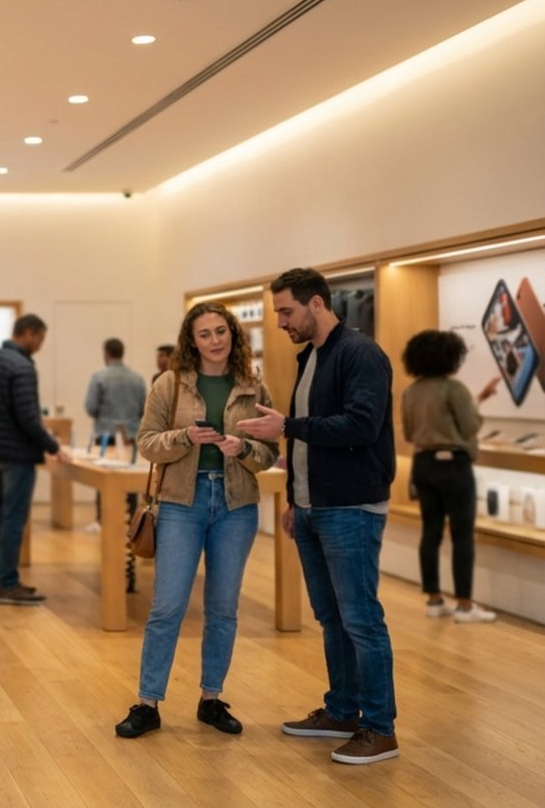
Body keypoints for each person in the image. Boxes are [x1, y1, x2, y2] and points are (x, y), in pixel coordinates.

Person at [239, 268, 399, 765]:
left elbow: (360, 425)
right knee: (331, 617)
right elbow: (306, 443)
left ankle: (379, 727)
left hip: (350, 507)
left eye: (286, 311)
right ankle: (342, 710)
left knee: (360, 619)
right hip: (313, 507)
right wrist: (295, 500)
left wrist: (286, 425)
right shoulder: (311, 357)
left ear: (316, 303)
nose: (281, 322)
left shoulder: (360, 354)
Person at [114, 302, 278, 739]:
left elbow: (269, 452)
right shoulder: (170, 383)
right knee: (166, 607)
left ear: (233, 335)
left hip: (236, 504)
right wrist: (186, 437)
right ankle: (147, 703)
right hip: (180, 503)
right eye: (204, 334)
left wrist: (241, 450)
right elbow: (148, 444)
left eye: (221, 331)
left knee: (223, 608)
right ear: (192, 340)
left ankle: (211, 698)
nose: (215, 340)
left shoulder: (252, 384)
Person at [401, 330, 500, 623]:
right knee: (462, 535)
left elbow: (409, 433)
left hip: (422, 465)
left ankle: (433, 600)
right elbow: (469, 426)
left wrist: (477, 397)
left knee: (430, 532)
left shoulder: (412, 391)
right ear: (451, 357)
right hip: (453, 467)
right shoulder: (453, 388)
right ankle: (465, 605)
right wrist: (477, 406)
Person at [0, 314, 70, 605]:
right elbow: (29, 417)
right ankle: (8, 583)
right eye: (39, 339)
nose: (40, 345)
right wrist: (53, 446)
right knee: (13, 518)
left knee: (3, 516)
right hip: (15, 453)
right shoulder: (21, 366)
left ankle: (1, 578)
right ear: (28, 333)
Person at [83, 338, 148, 536]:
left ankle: (102, 519)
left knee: (104, 478)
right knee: (129, 478)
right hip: (131, 435)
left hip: (105, 435)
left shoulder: (99, 377)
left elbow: (91, 406)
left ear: (106, 353)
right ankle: (131, 520)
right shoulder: (137, 378)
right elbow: (143, 407)